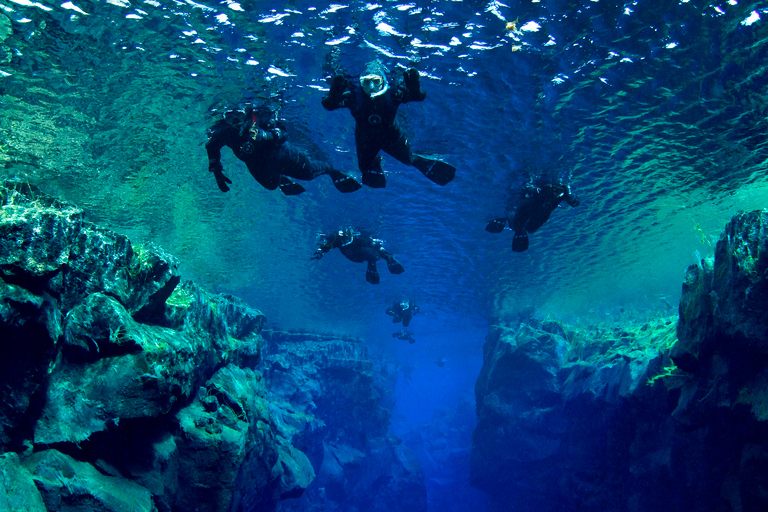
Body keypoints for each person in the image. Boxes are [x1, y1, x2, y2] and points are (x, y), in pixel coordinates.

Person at [321, 60, 456, 188]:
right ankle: (376, 162)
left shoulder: (392, 94)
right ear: (361, 83)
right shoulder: (353, 96)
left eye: (376, 81)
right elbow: (328, 105)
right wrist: (333, 96)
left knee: (408, 159)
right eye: (366, 82)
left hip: (391, 136)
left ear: (383, 81)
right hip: (366, 139)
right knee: (364, 168)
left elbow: (418, 96)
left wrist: (415, 89)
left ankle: (417, 160)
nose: (371, 87)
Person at [205, 106, 362, 196]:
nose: (235, 122)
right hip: (256, 163)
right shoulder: (224, 132)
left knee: (308, 174)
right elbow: (211, 147)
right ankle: (280, 178)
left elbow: (284, 132)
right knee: (271, 185)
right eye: (230, 118)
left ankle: (331, 170)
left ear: (246, 113)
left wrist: (266, 135)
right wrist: (217, 172)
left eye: (238, 116)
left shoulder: (260, 116)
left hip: (281, 155)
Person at [486, 179, 581, 252]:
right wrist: (568, 196)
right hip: (536, 199)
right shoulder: (525, 226)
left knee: (526, 226)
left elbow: (513, 208)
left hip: (534, 199)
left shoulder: (517, 225)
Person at [311, 227, 404, 284]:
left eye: (347, 237)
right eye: (344, 238)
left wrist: (385, 254)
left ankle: (385, 258)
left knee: (370, 250)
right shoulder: (337, 239)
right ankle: (375, 260)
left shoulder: (359, 237)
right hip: (355, 257)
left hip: (364, 254)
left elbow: (375, 245)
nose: (345, 240)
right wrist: (320, 252)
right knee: (369, 253)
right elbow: (327, 245)